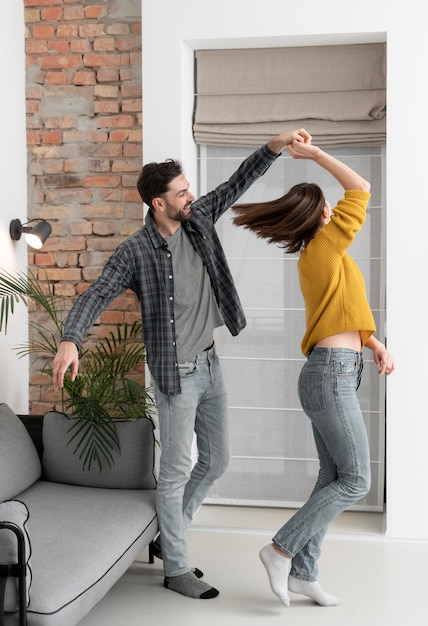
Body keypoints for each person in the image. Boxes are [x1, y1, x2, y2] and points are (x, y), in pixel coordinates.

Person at [52, 128, 312, 600]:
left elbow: (238, 182)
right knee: (174, 471)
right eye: (180, 192)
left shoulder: (199, 216)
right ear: (157, 203)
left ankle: (168, 533)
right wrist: (71, 340)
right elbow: (97, 293)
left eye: (189, 188)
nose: (190, 196)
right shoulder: (135, 251)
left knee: (217, 460)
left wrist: (273, 146)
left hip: (211, 364)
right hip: (177, 374)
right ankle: (176, 568)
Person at [232, 139, 395, 607]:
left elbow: (341, 310)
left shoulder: (329, 258)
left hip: (335, 370)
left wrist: (374, 343)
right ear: (320, 214)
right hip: (331, 375)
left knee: (332, 477)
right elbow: (361, 188)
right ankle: (280, 549)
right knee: (357, 480)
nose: (335, 205)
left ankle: (304, 573)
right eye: (328, 201)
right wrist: (318, 156)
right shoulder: (323, 249)